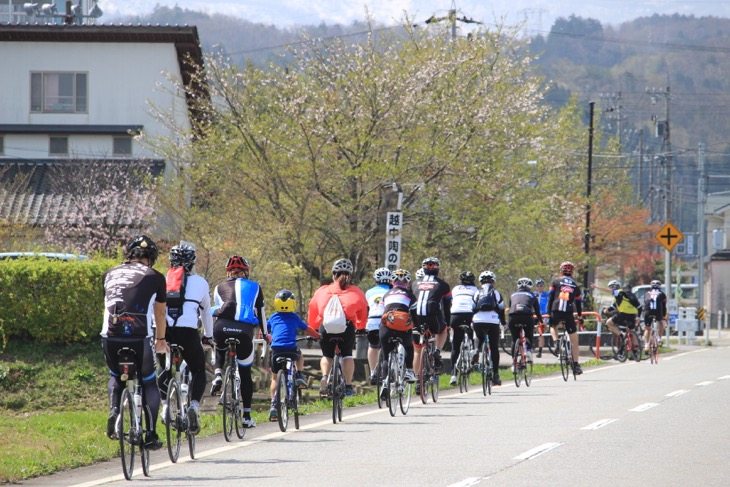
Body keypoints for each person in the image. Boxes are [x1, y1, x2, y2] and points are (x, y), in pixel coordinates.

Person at [101, 235, 167, 450]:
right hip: (139, 336)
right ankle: (150, 433)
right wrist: (160, 340)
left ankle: (114, 410)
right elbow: (159, 312)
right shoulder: (155, 276)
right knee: (149, 382)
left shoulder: (109, 273)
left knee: (116, 377)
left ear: (129, 255)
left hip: (110, 335)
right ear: (152, 258)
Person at [157, 244, 214, 436]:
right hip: (188, 331)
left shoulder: (161, 279)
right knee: (198, 369)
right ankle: (194, 407)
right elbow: (206, 312)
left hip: (164, 330)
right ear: (193, 263)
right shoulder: (201, 282)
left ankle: (165, 405)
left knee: (162, 367)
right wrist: (208, 335)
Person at [211, 255, 269, 428]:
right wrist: (265, 334)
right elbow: (261, 314)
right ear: (246, 273)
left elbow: (216, 311)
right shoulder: (255, 287)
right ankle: (247, 416)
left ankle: (218, 374)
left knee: (219, 347)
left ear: (229, 273)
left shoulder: (218, 287)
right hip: (244, 331)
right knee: (245, 373)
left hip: (221, 327)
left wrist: (211, 335)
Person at [308, 258, 368, 397]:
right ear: (350, 276)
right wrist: (361, 327)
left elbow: (313, 309)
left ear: (333, 275)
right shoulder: (356, 292)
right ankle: (348, 386)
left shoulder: (322, 290)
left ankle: (324, 377)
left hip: (326, 327)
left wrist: (313, 328)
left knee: (327, 355)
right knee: (347, 354)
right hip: (346, 328)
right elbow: (363, 311)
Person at [267, 289, 320, 421]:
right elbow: (307, 329)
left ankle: (273, 405)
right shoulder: (295, 317)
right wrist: (318, 336)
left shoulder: (273, 317)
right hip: (290, 349)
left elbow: (265, 329)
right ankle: (299, 374)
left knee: (274, 378)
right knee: (299, 355)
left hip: (276, 350)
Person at [378, 269, 418, 399]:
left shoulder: (386, 294)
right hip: (402, 325)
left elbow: (381, 311)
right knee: (408, 346)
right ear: (407, 282)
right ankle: (410, 371)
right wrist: (418, 327)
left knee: (385, 356)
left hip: (387, 326)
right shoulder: (411, 295)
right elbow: (415, 315)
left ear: (392, 282)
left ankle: (385, 382)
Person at [412, 257, 452, 382]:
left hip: (416, 317)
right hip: (433, 315)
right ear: (438, 269)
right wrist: (449, 324)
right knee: (443, 329)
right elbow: (446, 306)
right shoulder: (443, 284)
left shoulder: (414, 283)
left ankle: (418, 381)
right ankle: (437, 351)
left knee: (417, 352)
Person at [547, 261, 584, 375]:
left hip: (556, 308)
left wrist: (549, 313)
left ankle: (556, 342)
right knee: (574, 339)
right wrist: (579, 316)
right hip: (568, 311)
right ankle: (576, 366)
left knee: (553, 325)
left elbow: (551, 297)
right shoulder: (575, 286)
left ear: (561, 271)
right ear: (572, 273)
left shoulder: (556, 281)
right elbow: (578, 303)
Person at [471, 271, 506, 386]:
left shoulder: (477, 293)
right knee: (494, 347)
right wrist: (503, 322)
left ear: (480, 282)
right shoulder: (496, 293)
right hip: (493, 321)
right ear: (493, 281)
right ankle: (495, 375)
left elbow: (472, 308)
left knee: (479, 337)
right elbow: (501, 309)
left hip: (478, 320)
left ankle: (476, 350)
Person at [449, 271, 478, 386]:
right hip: (469, 314)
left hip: (455, 315)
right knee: (473, 336)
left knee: (455, 346)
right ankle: (473, 352)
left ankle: (453, 374)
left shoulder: (455, 289)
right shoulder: (476, 290)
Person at [365, 268, 393, 385]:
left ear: (376, 280)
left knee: (373, 345)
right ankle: (391, 370)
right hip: (387, 322)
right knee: (391, 345)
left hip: (372, 322)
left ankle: (372, 372)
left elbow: (366, 309)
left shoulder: (368, 292)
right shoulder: (393, 290)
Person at [507, 278, 543, 367]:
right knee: (529, 334)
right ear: (530, 286)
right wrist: (540, 321)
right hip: (526, 316)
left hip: (513, 316)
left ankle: (514, 363)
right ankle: (529, 351)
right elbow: (537, 311)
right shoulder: (532, 295)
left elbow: (510, 307)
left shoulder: (512, 295)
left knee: (514, 339)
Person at [598, 280, 641, 349]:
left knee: (608, 322)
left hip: (624, 313)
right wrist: (608, 310)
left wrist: (597, 287)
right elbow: (615, 306)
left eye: (611, 287)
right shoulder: (624, 295)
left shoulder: (619, 292)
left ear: (615, 287)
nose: (610, 289)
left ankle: (621, 335)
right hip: (633, 314)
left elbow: (608, 292)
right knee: (631, 331)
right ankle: (636, 349)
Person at [642, 279, 668, 349]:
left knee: (647, 329)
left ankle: (646, 346)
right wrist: (664, 316)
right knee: (661, 323)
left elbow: (645, 303)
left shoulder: (646, 293)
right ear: (660, 287)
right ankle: (659, 339)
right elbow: (664, 306)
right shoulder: (662, 294)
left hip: (647, 312)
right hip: (657, 312)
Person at [534, 279, 550, 358]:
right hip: (534, 314)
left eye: (541, 285)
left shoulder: (546, 295)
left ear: (543, 286)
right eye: (538, 285)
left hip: (543, 315)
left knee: (541, 332)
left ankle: (540, 351)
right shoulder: (533, 294)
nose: (539, 287)